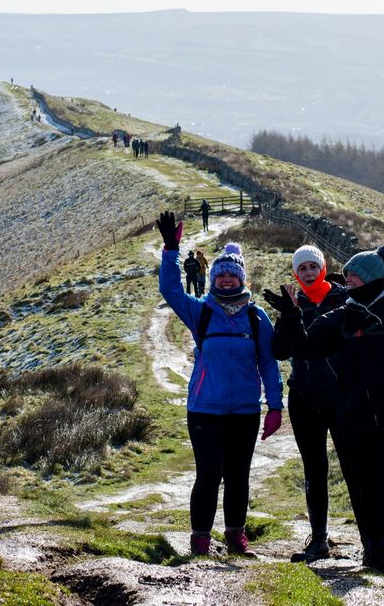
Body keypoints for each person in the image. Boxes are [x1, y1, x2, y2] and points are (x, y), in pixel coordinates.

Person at [264, 244, 384, 579]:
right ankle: (375, 556)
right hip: (356, 417)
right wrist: (291, 316)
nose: (347, 282)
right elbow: (304, 347)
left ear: (370, 278)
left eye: (353, 278)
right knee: (368, 488)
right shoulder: (343, 316)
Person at [156, 211, 283, 557]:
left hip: (244, 411)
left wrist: (275, 406)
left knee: (238, 475)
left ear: (241, 278)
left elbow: (269, 365)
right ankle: (200, 539)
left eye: (232, 275)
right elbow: (169, 289)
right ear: (213, 278)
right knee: (208, 474)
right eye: (221, 275)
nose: (226, 279)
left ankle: (235, 536)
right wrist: (171, 250)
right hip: (204, 410)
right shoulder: (202, 311)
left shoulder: (257, 318)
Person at [269, 245, 351, 563]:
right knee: (314, 470)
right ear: (295, 274)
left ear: (323, 267)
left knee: (356, 466)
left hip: (344, 396)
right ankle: (319, 541)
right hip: (304, 397)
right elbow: (279, 350)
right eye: (301, 268)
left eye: (312, 266)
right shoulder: (295, 303)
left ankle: (377, 534)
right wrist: (289, 316)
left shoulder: (343, 298)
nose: (308, 273)